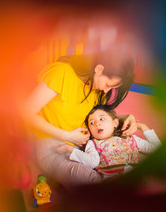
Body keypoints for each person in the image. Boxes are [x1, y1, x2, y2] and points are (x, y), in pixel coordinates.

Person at [22, 50, 137, 185]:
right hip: (54, 147)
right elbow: (26, 112)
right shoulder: (62, 73)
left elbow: (97, 118)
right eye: (107, 84)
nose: (106, 91)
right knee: (86, 177)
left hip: (87, 150)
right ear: (99, 69)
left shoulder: (96, 89)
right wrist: (66, 136)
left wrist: (128, 117)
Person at [56, 105, 161, 179]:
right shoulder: (93, 143)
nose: (97, 124)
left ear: (115, 123)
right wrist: (69, 149)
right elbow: (93, 162)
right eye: (92, 122)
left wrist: (142, 127)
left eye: (102, 119)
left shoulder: (129, 138)